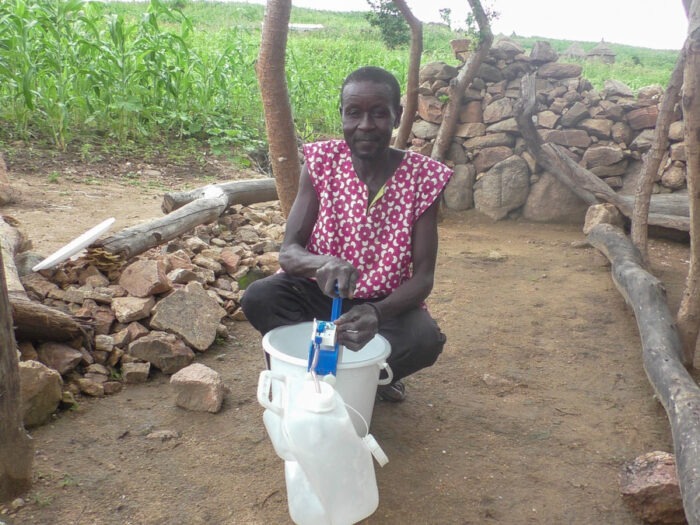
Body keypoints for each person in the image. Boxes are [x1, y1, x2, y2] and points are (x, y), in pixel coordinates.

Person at [241, 66, 453, 402]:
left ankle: (373, 380)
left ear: (397, 116)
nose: (365, 125)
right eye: (354, 113)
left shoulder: (422, 177)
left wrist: (377, 312)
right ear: (341, 115)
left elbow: (423, 278)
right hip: (318, 293)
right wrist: (322, 264)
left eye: (379, 113)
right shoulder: (323, 162)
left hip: (383, 304)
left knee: (423, 338)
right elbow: (289, 252)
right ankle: (299, 375)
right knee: (260, 297)